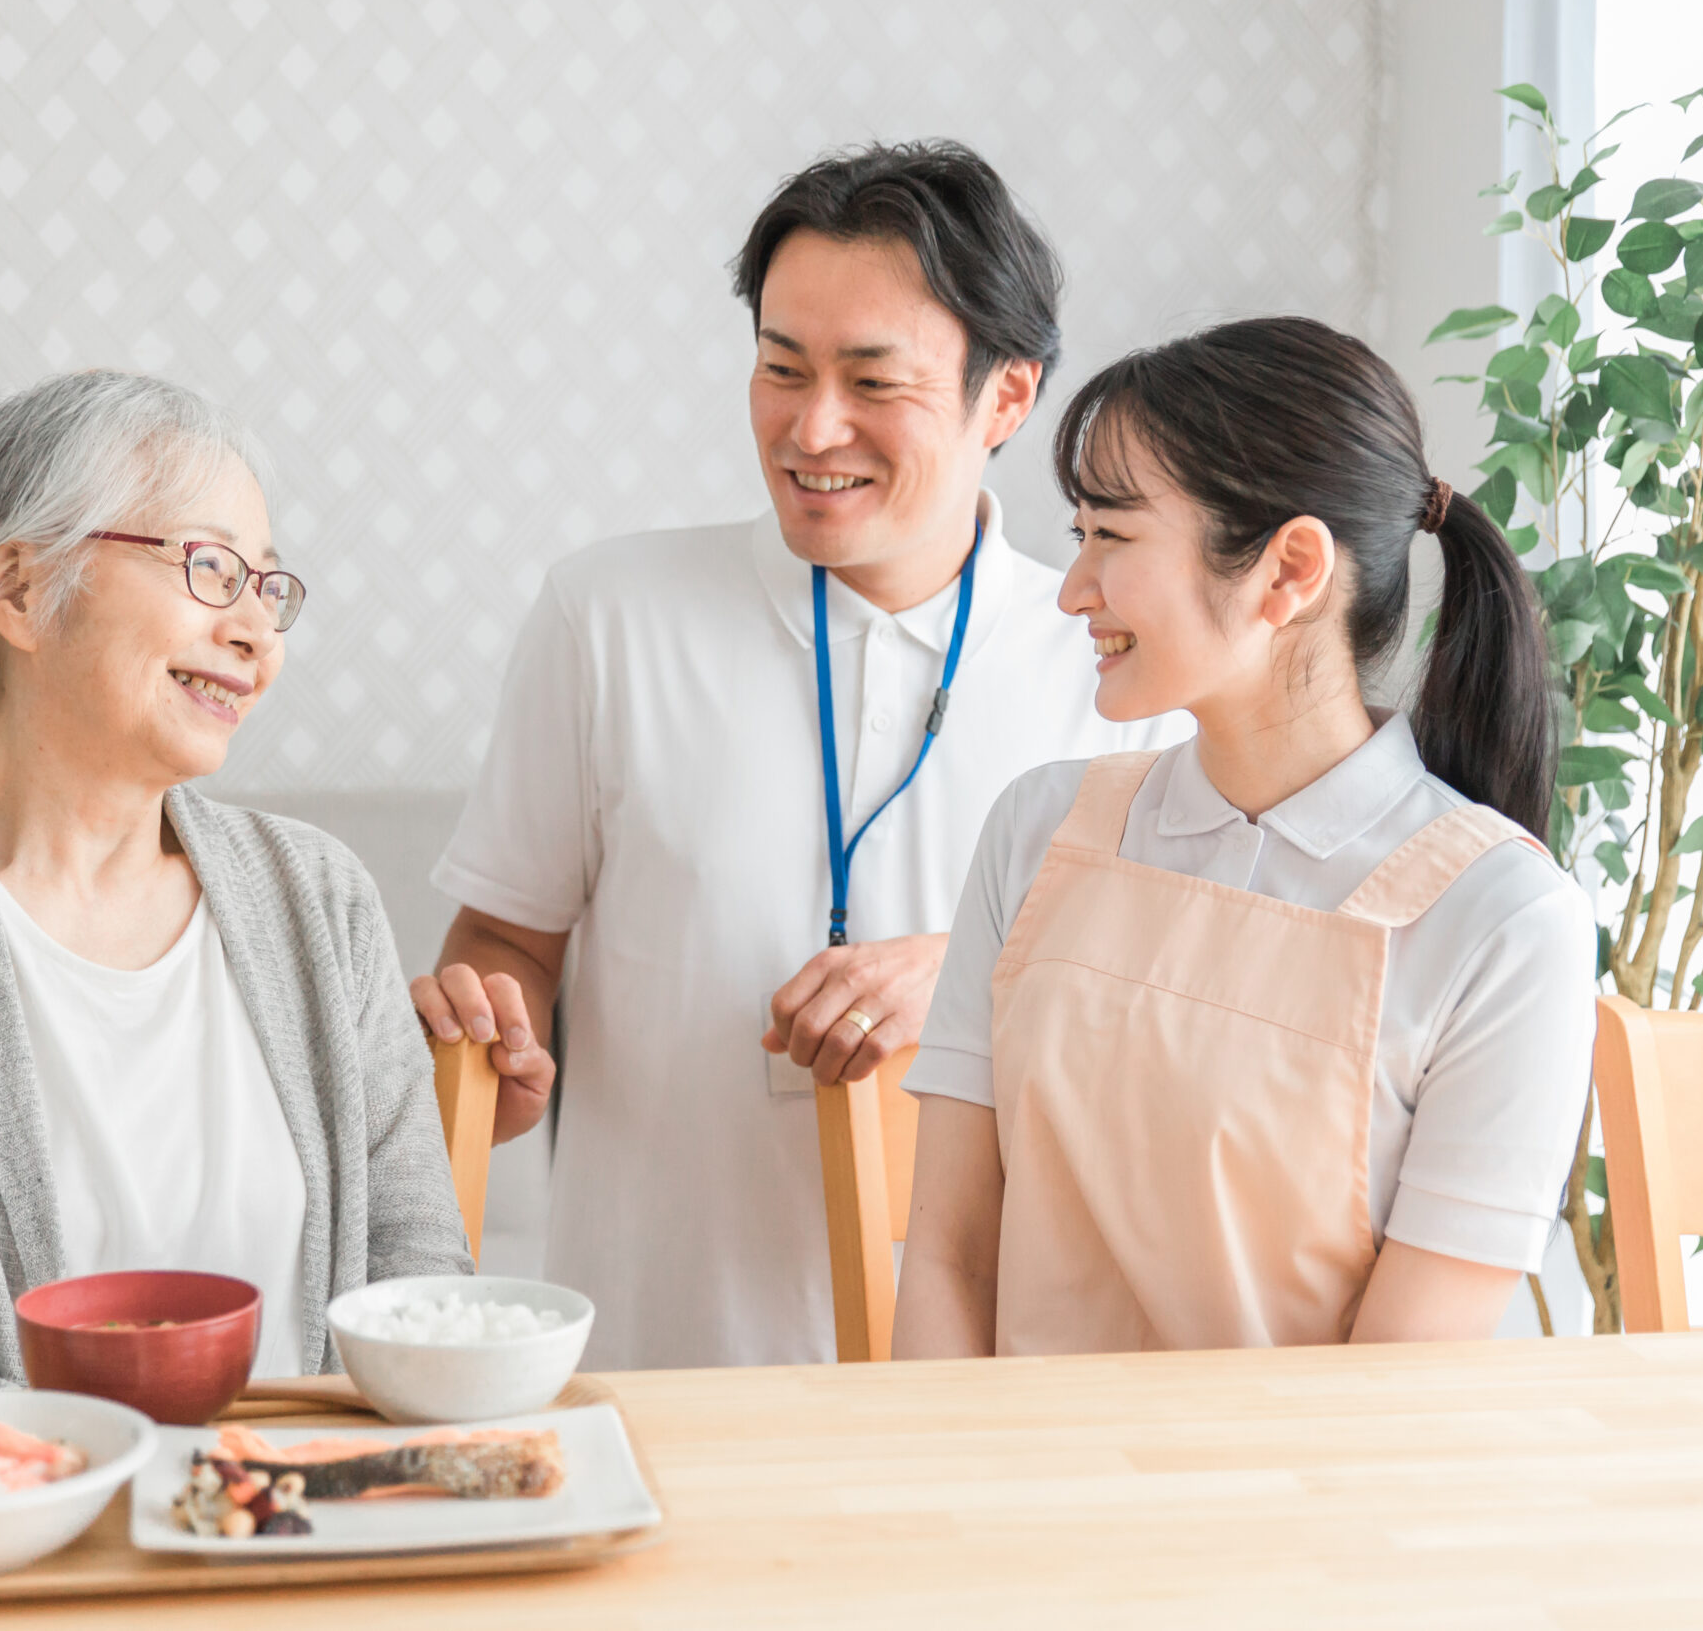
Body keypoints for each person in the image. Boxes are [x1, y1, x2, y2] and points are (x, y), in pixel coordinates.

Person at [412, 141, 1184, 1370]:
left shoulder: (1120, 664)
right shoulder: (607, 614)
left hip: (999, 1389)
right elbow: (505, 942)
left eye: (873, 382)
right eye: (781, 368)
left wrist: (983, 972)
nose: (811, 428)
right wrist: (493, 1039)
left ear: (1007, 397)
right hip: (658, 1363)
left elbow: (1185, 1036)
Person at [0, 370, 470, 1405]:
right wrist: (170, 1511)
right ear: (18, 590)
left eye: (269, 585)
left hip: (305, 1529)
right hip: (6, 1548)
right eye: (209, 568)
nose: (259, 632)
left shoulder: (320, 900)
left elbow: (420, 1299)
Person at [892, 317, 1595, 1358]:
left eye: (1111, 536)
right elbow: (953, 1257)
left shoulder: (1505, 922)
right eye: (1076, 533)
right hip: (1017, 1492)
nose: (1072, 588)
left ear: (1288, 569)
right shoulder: (1038, 829)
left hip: (1301, 1511)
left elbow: (1399, 1383)